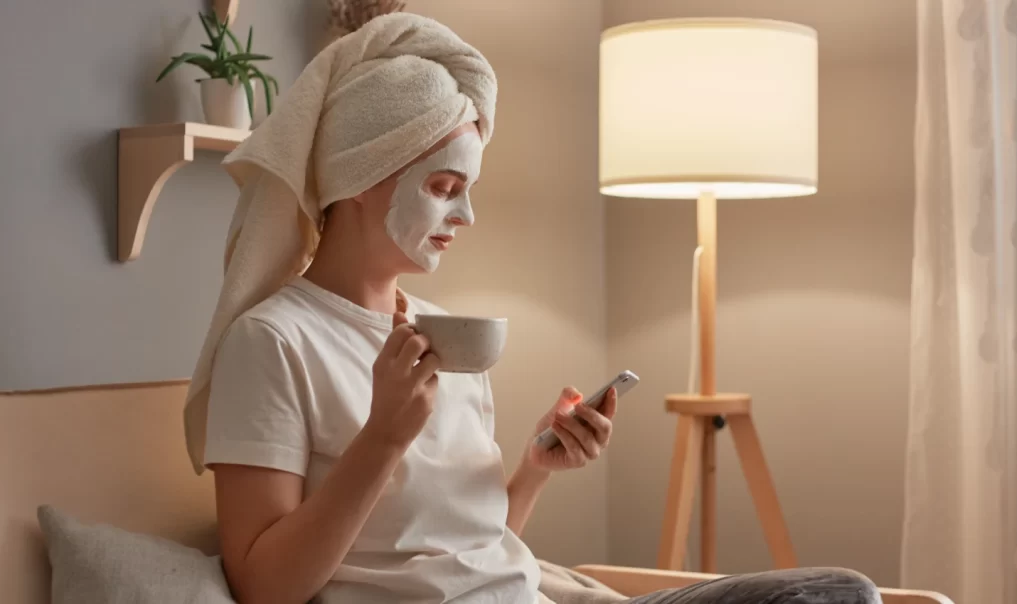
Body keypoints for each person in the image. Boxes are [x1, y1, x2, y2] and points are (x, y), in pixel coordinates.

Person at [183, 11, 883, 604]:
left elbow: (476, 550)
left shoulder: (443, 331)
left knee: (840, 593)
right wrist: (383, 438)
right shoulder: (273, 340)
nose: (466, 215)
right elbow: (263, 584)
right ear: (362, 177)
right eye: (445, 186)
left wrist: (533, 470)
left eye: (468, 188)